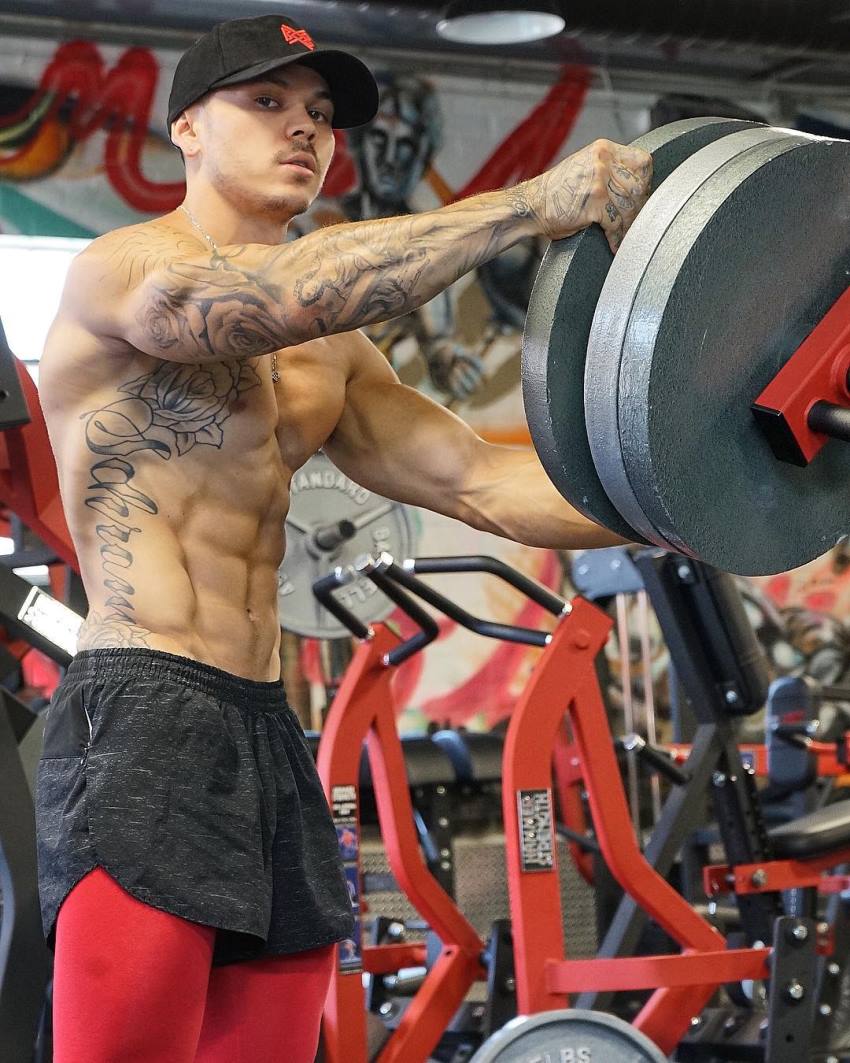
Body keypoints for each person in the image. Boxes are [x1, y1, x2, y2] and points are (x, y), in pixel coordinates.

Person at [35, 12, 652, 1063]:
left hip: (264, 725)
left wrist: (705, 495)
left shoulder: (338, 355)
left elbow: (487, 483)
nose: (303, 132)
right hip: (140, 712)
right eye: (266, 104)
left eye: (319, 115)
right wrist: (523, 207)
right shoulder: (123, 271)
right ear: (186, 127)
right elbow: (267, 301)